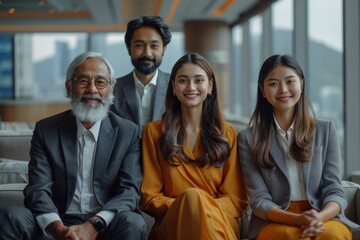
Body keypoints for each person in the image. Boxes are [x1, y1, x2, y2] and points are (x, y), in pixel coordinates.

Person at [0, 52, 146, 240]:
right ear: (69, 87)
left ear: (111, 89)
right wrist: (58, 229)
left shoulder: (128, 132)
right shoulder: (46, 129)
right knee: (8, 217)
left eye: (100, 82)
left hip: (105, 224)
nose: (92, 89)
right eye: (83, 81)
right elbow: (38, 188)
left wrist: (94, 225)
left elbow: (129, 191)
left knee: (133, 222)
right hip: (58, 220)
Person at [237, 54, 359, 240]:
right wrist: (297, 220)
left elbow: (334, 190)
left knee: (332, 234)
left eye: (290, 81)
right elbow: (259, 200)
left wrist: (317, 218)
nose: (283, 90)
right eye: (273, 84)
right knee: (288, 236)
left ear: (301, 84)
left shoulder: (326, 130)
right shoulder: (248, 138)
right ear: (262, 90)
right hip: (275, 220)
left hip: (322, 216)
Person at [140, 52, 249, 240]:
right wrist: (188, 204)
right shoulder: (153, 132)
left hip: (219, 221)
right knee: (192, 197)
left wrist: (201, 207)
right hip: (173, 222)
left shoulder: (228, 133)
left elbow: (236, 199)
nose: (191, 87)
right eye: (183, 81)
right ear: (173, 87)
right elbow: (150, 197)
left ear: (210, 86)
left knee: (195, 198)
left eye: (199, 80)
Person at [111, 16, 172, 129]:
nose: (147, 53)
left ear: (164, 49)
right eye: (139, 45)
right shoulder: (113, 89)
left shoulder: (175, 86)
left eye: (154, 46)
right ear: (128, 48)